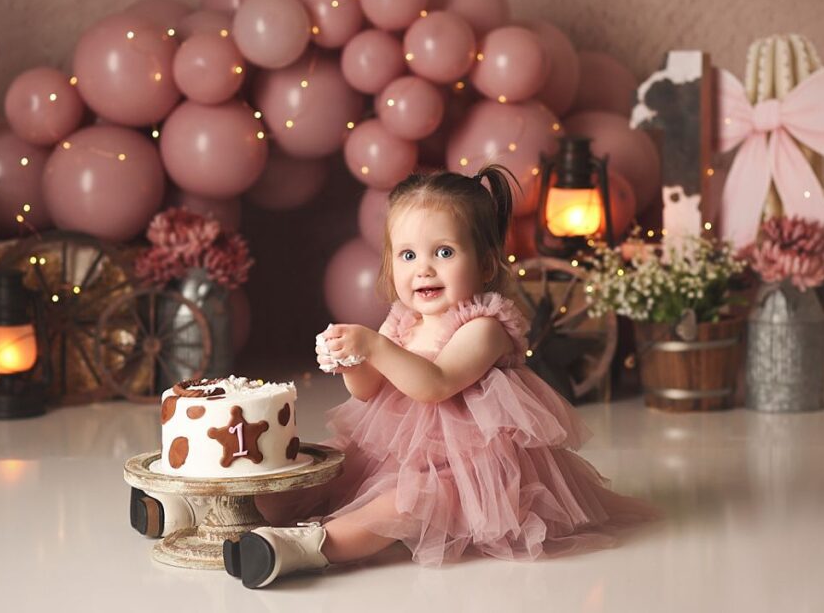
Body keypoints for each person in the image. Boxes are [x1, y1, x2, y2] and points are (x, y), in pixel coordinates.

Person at [223, 166, 659, 589]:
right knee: (326, 471)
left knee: (409, 504)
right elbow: (370, 390)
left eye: (444, 252)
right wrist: (352, 363)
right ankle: (225, 513)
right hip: (395, 452)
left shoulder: (484, 326)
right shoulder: (402, 322)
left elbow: (434, 384)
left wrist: (373, 346)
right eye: (408, 255)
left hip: (465, 469)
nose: (424, 269)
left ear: (486, 264)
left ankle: (306, 547)